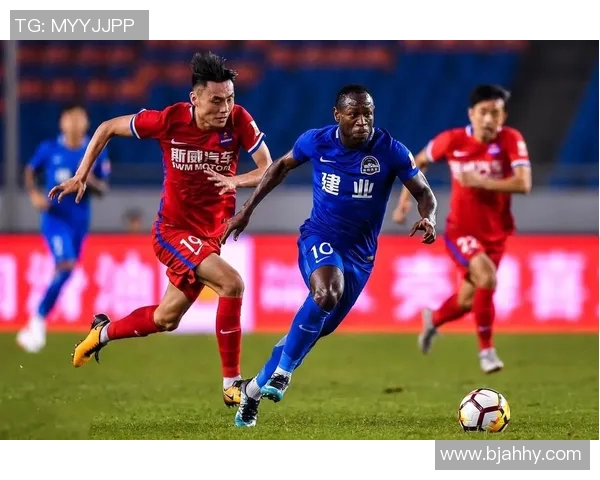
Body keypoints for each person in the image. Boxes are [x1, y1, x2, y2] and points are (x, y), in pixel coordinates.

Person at [49, 51, 273, 408]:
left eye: (230, 98)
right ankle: (232, 385)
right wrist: (81, 174)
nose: (225, 108)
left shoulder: (239, 120)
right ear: (195, 98)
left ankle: (101, 333)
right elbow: (107, 127)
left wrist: (236, 180)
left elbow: (267, 167)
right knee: (232, 284)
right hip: (172, 231)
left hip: (210, 236)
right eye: (216, 100)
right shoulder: (169, 120)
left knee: (166, 318)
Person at [223, 84, 438, 427]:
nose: (362, 121)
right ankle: (283, 374)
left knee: (313, 330)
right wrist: (246, 211)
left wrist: (429, 217)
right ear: (338, 115)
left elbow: (424, 193)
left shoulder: (391, 150)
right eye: (354, 114)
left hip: (360, 257)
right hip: (319, 237)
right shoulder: (316, 141)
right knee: (326, 292)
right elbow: (279, 167)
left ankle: (251, 391)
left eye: (368, 113)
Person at [392, 84, 532, 374]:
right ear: (471, 114)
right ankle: (487, 352)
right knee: (487, 277)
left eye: (496, 113)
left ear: (504, 116)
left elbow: (524, 183)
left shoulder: (510, 139)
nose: (489, 119)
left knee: (468, 300)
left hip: (497, 232)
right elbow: (417, 163)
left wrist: (481, 182)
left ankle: (433, 320)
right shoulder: (452, 140)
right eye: (483, 112)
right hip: (461, 230)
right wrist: (405, 201)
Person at [17, 104, 110, 353]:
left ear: (87, 123)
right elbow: (29, 171)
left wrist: (90, 179)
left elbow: (104, 189)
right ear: (62, 122)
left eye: (80, 118)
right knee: (66, 264)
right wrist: (34, 195)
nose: (75, 123)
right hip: (55, 218)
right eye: (70, 118)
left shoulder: (95, 150)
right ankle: (38, 318)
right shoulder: (49, 148)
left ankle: (37, 321)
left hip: (79, 222)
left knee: (67, 271)